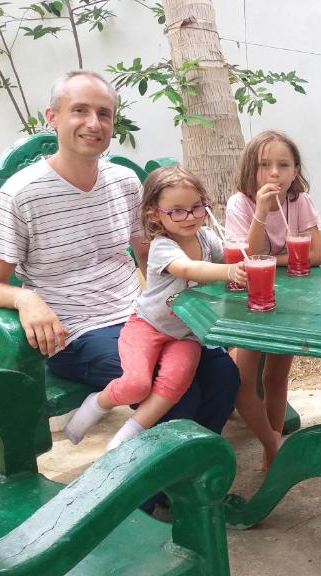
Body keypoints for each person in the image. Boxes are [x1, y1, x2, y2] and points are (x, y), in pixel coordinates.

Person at [0, 70, 239, 447]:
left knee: (224, 372)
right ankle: (150, 497)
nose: (93, 123)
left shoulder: (124, 182)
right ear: (53, 117)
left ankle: (189, 484)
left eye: (104, 113)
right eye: (80, 110)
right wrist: (24, 297)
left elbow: (151, 258)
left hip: (141, 317)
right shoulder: (20, 195)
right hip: (77, 331)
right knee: (178, 393)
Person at [64, 166, 247, 450]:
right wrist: (228, 272)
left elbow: (229, 260)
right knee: (136, 384)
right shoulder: (163, 246)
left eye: (197, 207)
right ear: (154, 213)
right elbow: (189, 269)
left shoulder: (208, 239)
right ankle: (96, 404)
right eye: (177, 210)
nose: (190, 216)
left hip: (186, 335)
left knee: (173, 387)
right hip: (147, 326)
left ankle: (127, 436)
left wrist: (243, 269)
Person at [225, 129, 321, 470]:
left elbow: (316, 255)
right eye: (264, 165)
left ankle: (273, 449)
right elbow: (244, 258)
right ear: (250, 168)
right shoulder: (241, 204)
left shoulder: (301, 202)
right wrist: (261, 213)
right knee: (241, 381)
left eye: (283, 165)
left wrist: (271, 262)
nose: (274, 173)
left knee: (276, 377)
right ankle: (270, 440)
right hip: (249, 302)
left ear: (296, 170)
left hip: (291, 301)